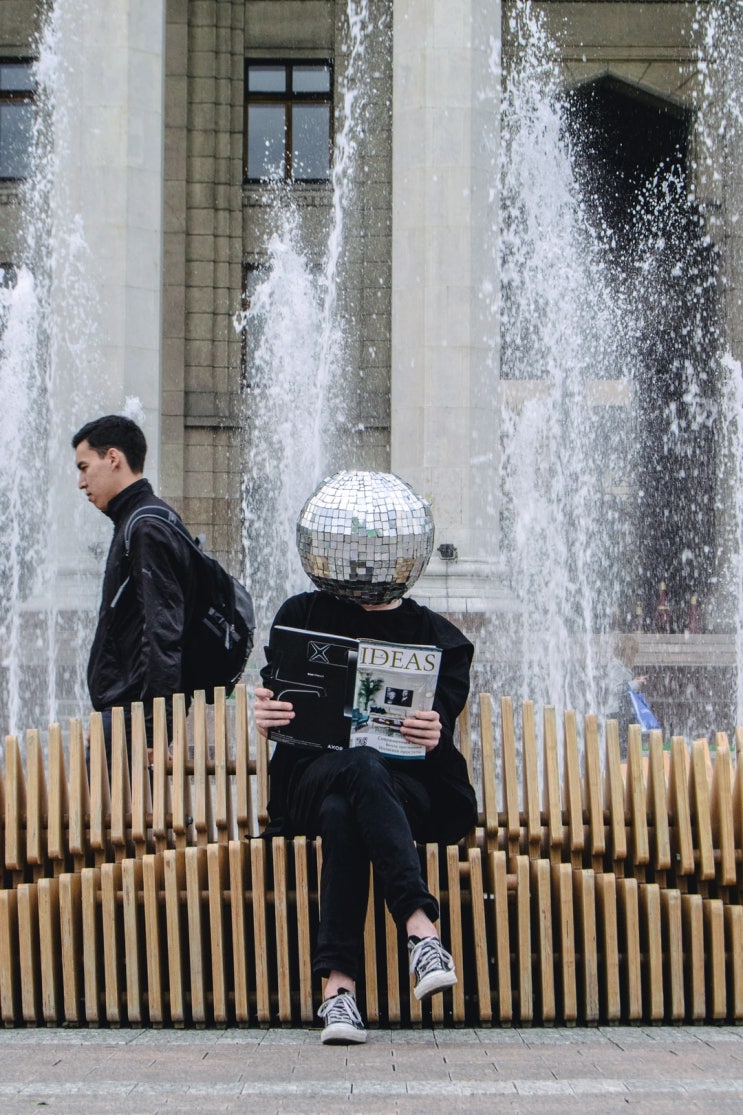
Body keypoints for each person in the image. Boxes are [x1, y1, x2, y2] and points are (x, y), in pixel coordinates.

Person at [254, 470, 477, 1045]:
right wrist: (266, 714)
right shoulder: (301, 616)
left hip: (403, 793)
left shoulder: (441, 641)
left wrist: (434, 731)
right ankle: (421, 931)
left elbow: (440, 730)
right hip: (312, 773)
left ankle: (339, 995)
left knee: (345, 807)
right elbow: (277, 697)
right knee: (357, 765)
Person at [72, 414, 196, 757]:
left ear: (113, 458)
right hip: (129, 719)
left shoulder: (145, 527)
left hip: (134, 722)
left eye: (84, 467)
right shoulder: (141, 520)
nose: (82, 482)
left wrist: (155, 729)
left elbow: (162, 631)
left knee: (115, 810)